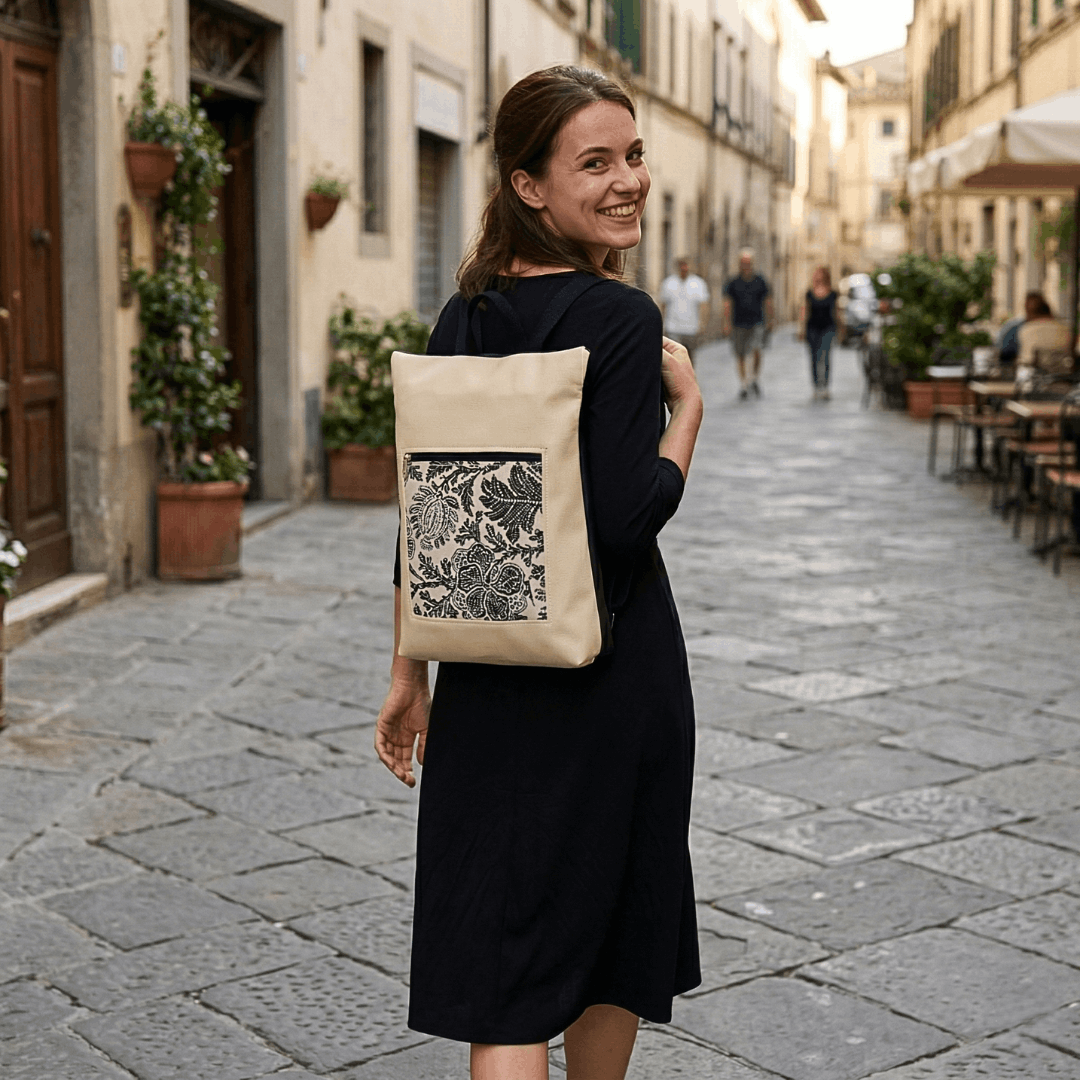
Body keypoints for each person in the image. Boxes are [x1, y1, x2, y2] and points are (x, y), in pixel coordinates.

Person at [374, 65, 703, 1080]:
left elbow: (429, 522)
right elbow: (623, 519)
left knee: (506, 965)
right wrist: (686, 413)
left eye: (634, 154)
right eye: (594, 162)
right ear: (528, 185)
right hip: (613, 672)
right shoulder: (620, 320)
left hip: (486, 675)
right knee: (616, 927)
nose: (628, 181)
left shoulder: (461, 318)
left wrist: (409, 676)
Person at [723, 249, 773, 399]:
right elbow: (727, 303)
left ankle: (754, 378)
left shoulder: (760, 281)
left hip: (757, 322)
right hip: (738, 322)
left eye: (748, 262)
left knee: (757, 350)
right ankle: (744, 383)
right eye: (743, 262)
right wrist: (726, 323)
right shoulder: (733, 282)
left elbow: (768, 300)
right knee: (741, 354)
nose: (745, 265)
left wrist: (770, 319)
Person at [659, 256, 710, 362]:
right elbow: (663, 305)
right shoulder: (668, 283)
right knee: (673, 358)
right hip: (673, 327)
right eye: (681, 265)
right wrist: (661, 324)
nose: (684, 268)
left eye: (686, 265)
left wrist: (703, 323)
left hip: (691, 327)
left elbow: (703, 305)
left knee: (690, 357)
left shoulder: (698, 283)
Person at [799, 266, 839, 400]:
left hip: (828, 328)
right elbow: (804, 311)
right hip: (812, 329)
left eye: (820, 275)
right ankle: (816, 387)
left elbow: (836, 311)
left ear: (825, 277)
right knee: (814, 358)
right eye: (815, 275)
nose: (817, 277)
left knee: (826, 357)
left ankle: (825, 387)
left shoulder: (833, 293)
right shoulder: (809, 293)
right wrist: (802, 329)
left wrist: (841, 328)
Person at [1016, 292, 1073, 387]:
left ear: (1029, 312)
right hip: (1063, 381)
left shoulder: (1026, 330)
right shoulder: (1066, 329)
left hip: (1031, 383)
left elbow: (1026, 360)